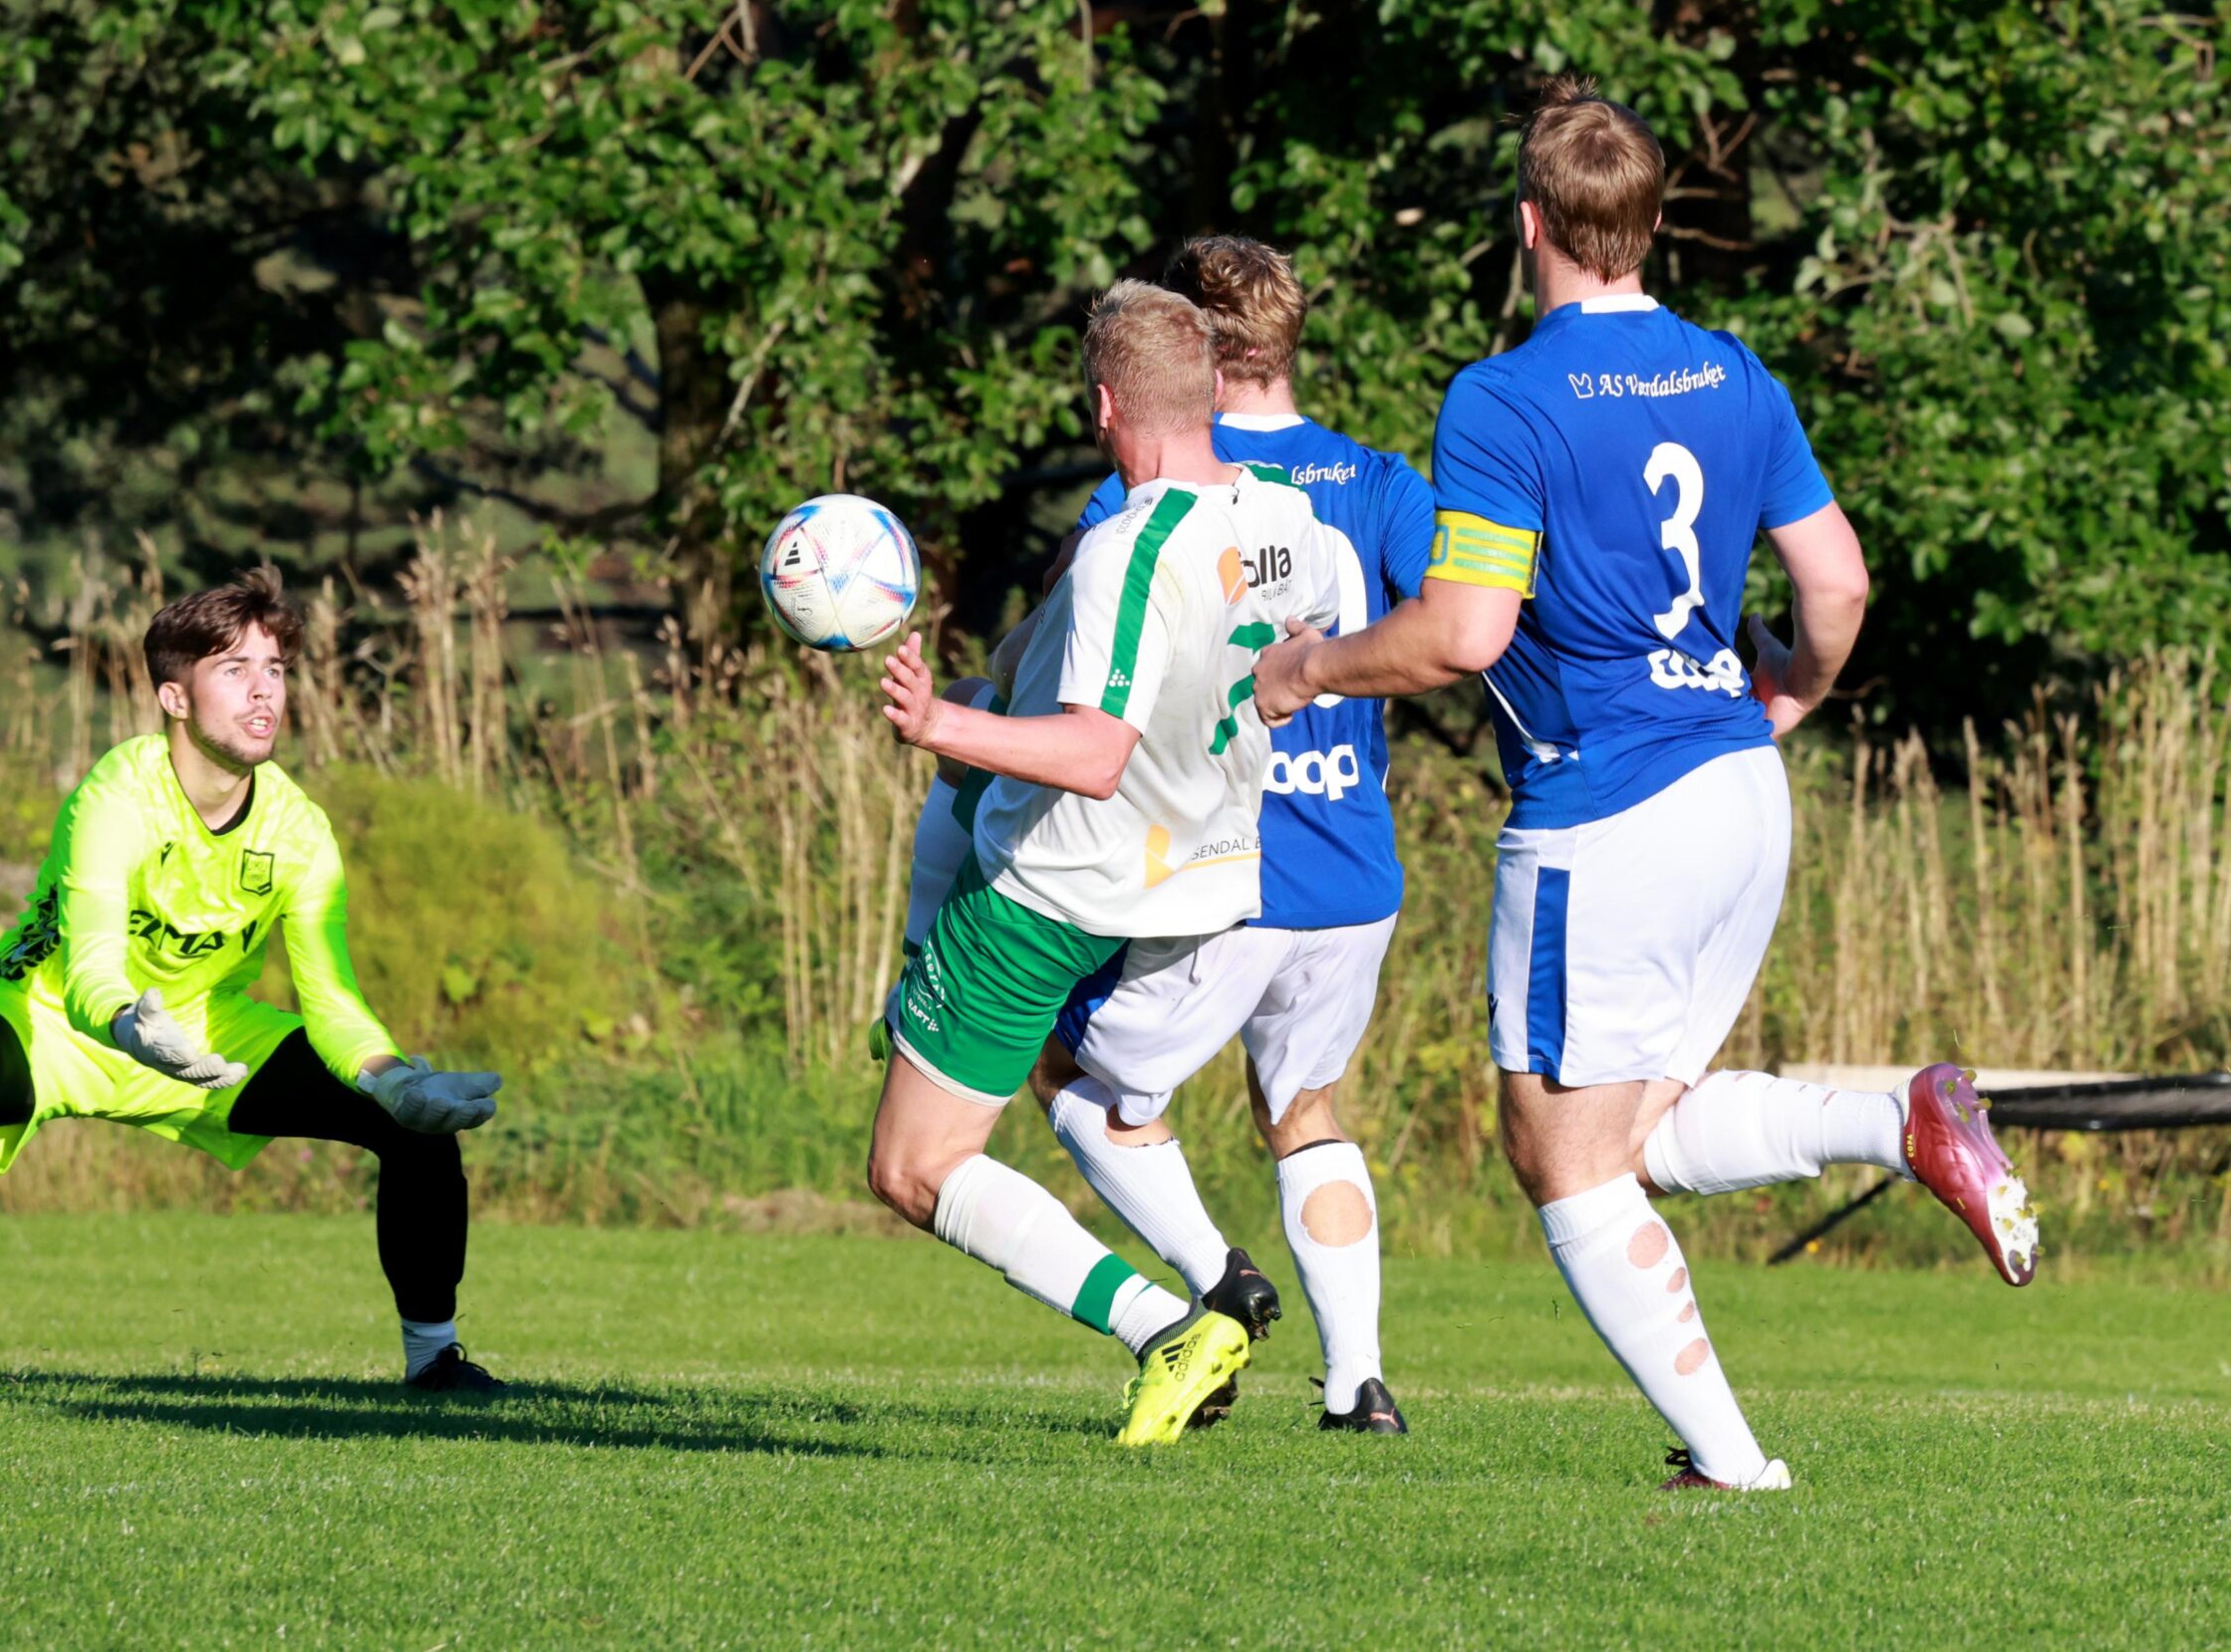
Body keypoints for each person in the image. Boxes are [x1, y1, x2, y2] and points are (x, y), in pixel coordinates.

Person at [1253, 78, 2039, 1491]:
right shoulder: (1734, 371)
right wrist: (1791, 687)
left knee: (1563, 1157)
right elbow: (1839, 580)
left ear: (1530, 223)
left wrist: (1314, 665)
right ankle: (1898, 1118)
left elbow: (1464, 634)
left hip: (1605, 810)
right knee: (1638, 1138)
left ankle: (1734, 1461)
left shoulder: (1504, 397)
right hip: (1741, 791)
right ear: (1652, 224)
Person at [0, 567, 507, 1393]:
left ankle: (435, 1361)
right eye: (235, 670)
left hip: (207, 1035)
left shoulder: (300, 831)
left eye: (276, 669)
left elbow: (331, 1000)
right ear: (174, 699)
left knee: (415, 1128)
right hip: (58, 1019)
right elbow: (92, 967)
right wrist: (123, 1024)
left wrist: (391, 1081)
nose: (265, 693)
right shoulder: (116, 794)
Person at [869, 278, 1338, 1446]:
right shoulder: (1286, 520)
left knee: (915, 1167)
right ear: (1215, 390)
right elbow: (1292, 646)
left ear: (1102, 404)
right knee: (1070, 1085)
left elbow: (1090, 752)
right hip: (1205, 886)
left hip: (1054, 894)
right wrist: (998, 699)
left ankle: (1161, 1326)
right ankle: (1215, 1281)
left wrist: (941, 725)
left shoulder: (1128, 549)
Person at [1029, 235, 1436, 1435]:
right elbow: (1449, 632)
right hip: (1355, 868)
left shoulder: (1150, 487)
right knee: (1305, 1116)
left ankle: (1215, 1286)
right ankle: (1357, 1384)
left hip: (1226, 873)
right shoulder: (1380, 484)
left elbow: (1087, 649)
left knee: (1080, 1084)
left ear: (1189, 341)